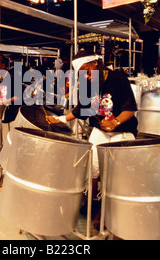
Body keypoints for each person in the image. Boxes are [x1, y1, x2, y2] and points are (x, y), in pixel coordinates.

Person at [46, 48, 138, 196]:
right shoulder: (88, 84)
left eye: (87, 71)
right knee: (92, 167)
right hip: (100, 130)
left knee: (118, 172)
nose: (86, 76)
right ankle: (92, 200)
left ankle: (114, 202)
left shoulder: (118, 78)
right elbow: (81, 109)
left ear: (95, 63)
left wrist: (115, 122)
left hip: (123, 129)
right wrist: (60, 119)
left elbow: (130, 109)